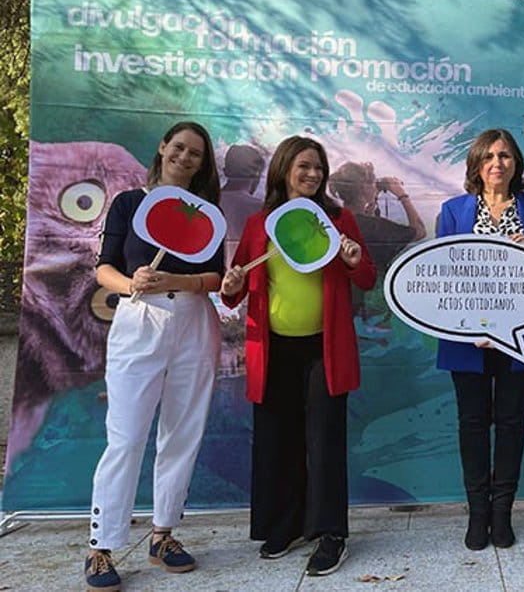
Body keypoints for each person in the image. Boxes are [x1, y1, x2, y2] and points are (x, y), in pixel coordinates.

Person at [220, 136, 376, 576]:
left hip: (324, 348)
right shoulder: (260, 224)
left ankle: (331, 534)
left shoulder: (338, 219)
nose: (312, 175)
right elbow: (235, 287)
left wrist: (351, 258)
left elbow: (365, 277)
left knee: (324, 441)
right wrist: (230, 287)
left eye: (318, 169)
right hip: (273, 350)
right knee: (277, 440)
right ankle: (286, 524)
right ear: (284, 169)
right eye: (304, 167)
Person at [85, 122, 224, 592]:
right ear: (163, 147)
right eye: (179, 148)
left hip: (194, 323)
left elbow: (215, 279)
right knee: (125, 436)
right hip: (138, 319)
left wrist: (175, 283)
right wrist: (132, 285)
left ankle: (163, 534)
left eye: (196, 154)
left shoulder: (208, 214)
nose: (185, 158)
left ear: (203, 165)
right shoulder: (129, 203)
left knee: (183, 431)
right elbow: (104, 267)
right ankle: (102, 545)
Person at [436, 128, 524, 550]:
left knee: (510, 425)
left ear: (516, 164)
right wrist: (469, 325)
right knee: (472, 425)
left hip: (520, 339)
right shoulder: (453, 211)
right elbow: (439, 277)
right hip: (466, 342)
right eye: (489, 156)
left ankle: (502, 514)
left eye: (506, 155)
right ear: (476, 164)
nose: (497, 163)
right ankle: (477, 516)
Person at [328, 160, 427, 269]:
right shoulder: (376, 227)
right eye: (373, 183)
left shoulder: (335, 220)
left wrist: (369, 210)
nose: (376, 187)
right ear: (364, 188)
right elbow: (420, 232)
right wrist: (401, 194)